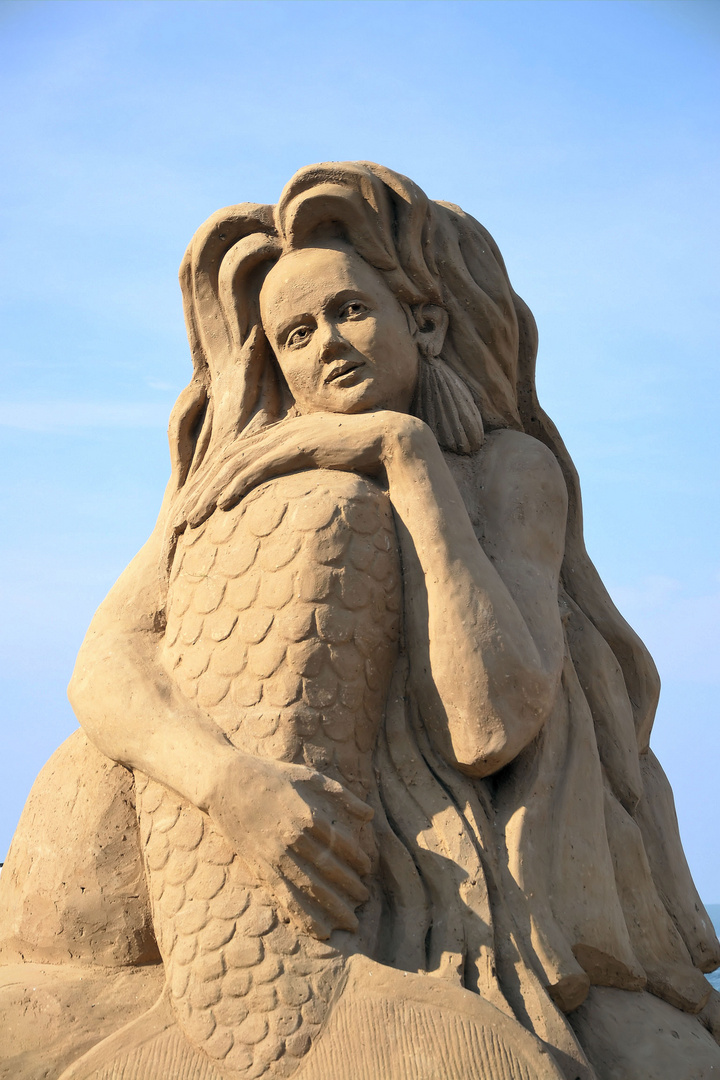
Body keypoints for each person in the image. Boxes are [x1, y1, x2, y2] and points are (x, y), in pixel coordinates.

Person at [3, 163, 718, 1080]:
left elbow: (489, 726)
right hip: (272, 876)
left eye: (348, 310)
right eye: (294, 334)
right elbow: (103, 665)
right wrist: (229, 783)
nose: (326, 347)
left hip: (472, 892)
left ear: (425, 320)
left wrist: (406, 456)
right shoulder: (229, 486)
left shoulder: (506, 473)